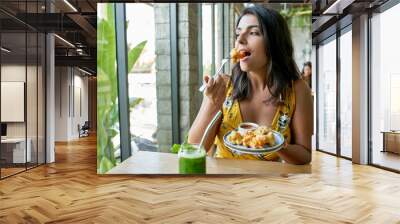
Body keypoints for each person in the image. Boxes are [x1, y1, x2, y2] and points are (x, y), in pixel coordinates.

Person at [188, 5, 312, 165]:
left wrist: (274, 144)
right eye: (238, 33)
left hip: (267, 185)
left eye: (253, 32)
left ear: (274, 42)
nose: (240, 40)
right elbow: (195, 147)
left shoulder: (297, 89)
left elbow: (305, 154)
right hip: (225, 183)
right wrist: (212, 103)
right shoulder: (223, 85)